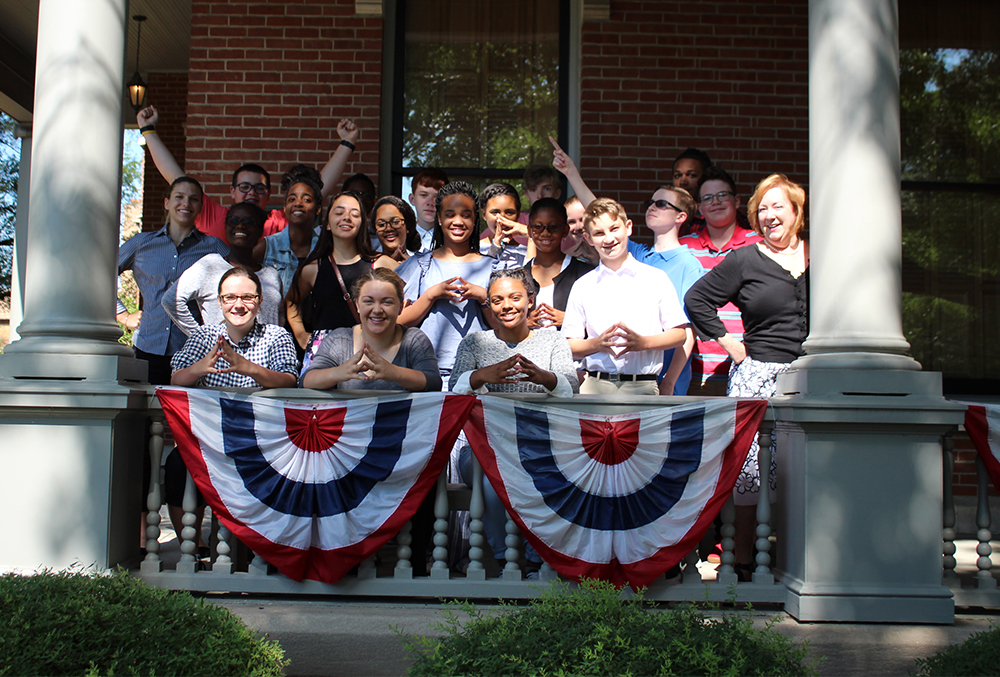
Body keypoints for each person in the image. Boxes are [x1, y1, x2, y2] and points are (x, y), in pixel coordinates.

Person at [684, 173, 809, 580]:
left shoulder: (821, 256)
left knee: (805, 470)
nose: (770, 215)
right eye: (762, 209)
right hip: (760, 376)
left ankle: (799, 557)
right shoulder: (745, 259)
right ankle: (740, 563)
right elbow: (697, 300)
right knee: (751, 472)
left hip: (812, 376)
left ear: (797, 212)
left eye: (779, 207)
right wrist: (730, 344)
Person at [450, 267, 578, 575]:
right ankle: (509, 560)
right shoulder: (474, 343)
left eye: (515, 297)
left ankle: (536, 559)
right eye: (497, 300)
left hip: (539, 447)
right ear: (490, 305)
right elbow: (454, 389)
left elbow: (571, 387)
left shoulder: (552, 341)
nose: (506, 306)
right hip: (483, 449)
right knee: (492, 482)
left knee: (543, 477)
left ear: (530, 300)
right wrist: (483, 375)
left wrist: (543, 377)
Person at [168, 266, 299, 553]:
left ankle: (260, 546)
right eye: (229, 298)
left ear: (260, 301)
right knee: (178, 465)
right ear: (219, 301)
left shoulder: (276, 336)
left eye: (246, 297)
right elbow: (176, 377)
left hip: (261, 438)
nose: (238, 305)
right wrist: (201, 368)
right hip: (209, 435)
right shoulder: (204, 337)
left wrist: (247, 368)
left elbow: (289, 380)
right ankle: (195, 547)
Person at [136, 105, 359, 242]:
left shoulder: (277, 222)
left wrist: (346, 143)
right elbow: (178, 181)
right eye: (244, 187)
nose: (251, 192)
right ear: (232, 191)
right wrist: (148, 131)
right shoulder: (215, 217)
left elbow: (316, 191)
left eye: (259, 188)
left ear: (268, 194)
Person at [562, 198, 689, 395]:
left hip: (643, 385)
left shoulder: (655, 278)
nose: (608, 238)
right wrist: (596, 344)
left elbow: (679, 334)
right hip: (596, 385)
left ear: (628, 227)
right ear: (588, 238)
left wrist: (643, 343)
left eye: (614, 229)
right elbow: (569, 344)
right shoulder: (583, 285)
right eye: (598, 233)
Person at [117, 176, 229, 385]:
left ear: (200, 206)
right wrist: (123, 315)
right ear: (167, 203)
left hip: (194, 351)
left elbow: (240, 281)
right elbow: (103, 275)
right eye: (179, 197)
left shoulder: (214, 247)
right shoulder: (142, 244)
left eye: (193, 199)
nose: (186, 203)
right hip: (147, 346)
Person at [395, 181, 494, 384]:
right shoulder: (420, 264)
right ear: (439, 218)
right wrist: (431, 295)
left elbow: (504, 326)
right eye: (450, 214)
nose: (458, 221)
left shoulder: (493, 267)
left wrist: (482, 296)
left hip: (479, 374)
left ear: (475, 219)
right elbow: (396, 320)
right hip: (426, 371)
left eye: (466, 215)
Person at [680, 166, 762, 396]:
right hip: (695, 371)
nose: (715, 202)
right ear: (700, 209)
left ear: (736, 201)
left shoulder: (759, 245)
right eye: (707, 198)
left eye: (722, 195)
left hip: (748, 366)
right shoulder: (684, 247)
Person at [286, 191, 398, 352]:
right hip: (324, 354)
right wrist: (300, 333)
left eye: (355, 214)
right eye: (339, 212)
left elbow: (408, 301)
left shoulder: (382, 264)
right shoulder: (313, 269)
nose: (346, 217)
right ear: (328, 224)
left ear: (361, 224)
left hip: (368, 350)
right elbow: (291, 301)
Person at [301, 268, 441, 391]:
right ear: (357, 305)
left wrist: (395, 373)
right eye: (368, 301)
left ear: (400, 307)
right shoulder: (339, 340)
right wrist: (337, 373)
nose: (377, 310)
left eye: (387, 302)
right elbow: (306, 381)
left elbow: (434, 382)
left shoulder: (414, 340)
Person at [165, 202, 283, 335]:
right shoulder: (209, 265)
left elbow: (279, 315)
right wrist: (202, 337)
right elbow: (171, 300)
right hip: (223, 354)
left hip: (265, 355)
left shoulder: (272, 275)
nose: (240, 225)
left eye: (249, 221)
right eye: (233, 220)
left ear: (260, 230)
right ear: (226, 226)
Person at [522, 198, 595, 330]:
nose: (545, 233)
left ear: (565, 230)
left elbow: (602, 317)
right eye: (538, 227)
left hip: (572, 349)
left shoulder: (585, 273)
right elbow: (503, 322)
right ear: (530, 231)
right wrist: (523, 323)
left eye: (553, 227)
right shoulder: (518, 277)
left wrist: (570, 320)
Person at [254, 165, 324, 296]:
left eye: (307, 199)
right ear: (285, 207)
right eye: (292, 199)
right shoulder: (267, 247)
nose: (298, 203)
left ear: (318, 208)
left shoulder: (325, 249)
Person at [477, 182, 531, 269]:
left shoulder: (528, 251)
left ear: (518, 214)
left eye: (509, 212)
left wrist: (531, 234)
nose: (502, 219)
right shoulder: (473, 250)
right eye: (495, 212)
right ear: (484, 214)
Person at [408, 168, 449, 252]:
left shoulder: (452, 239)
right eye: (423, 195)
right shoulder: (402, 237)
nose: (430, 202)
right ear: (412, 199)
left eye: (437, 197)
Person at [371, 196, 421, 263]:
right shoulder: (369, 266)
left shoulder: (421, 267)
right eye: (381, 224)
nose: (388, 228)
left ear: (408, 226)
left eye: (395, 222)